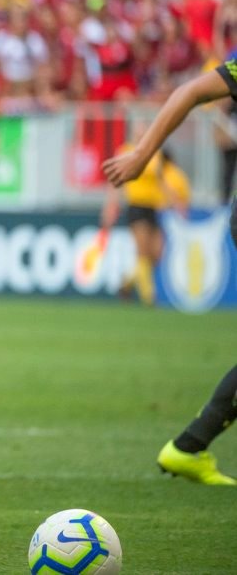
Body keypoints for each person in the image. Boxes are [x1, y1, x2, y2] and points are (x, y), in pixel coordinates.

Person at [103, 52, 237, 485]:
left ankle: (189, 447)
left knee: (151, 255)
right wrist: (143, 153)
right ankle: (188, 447)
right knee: (146, 255)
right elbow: (193, 90)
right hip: (143, 205)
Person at [100, 141, 189, 306]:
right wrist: (112, 205)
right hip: (137, 206)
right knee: (142, 252)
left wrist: (175, 200)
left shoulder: (154, 152)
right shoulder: (126, 151)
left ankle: (126, 282)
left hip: (153, 208)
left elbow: (161, 180)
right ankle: (149, 297)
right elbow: (115, 180)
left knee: (156, 254)